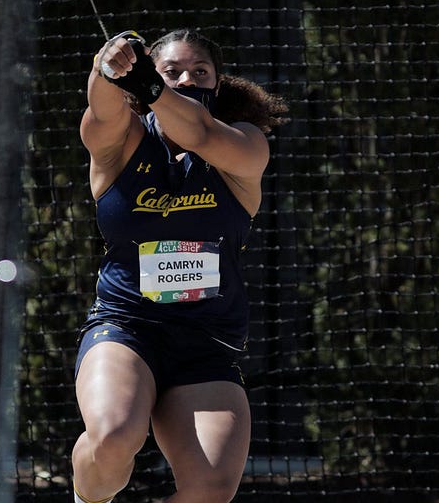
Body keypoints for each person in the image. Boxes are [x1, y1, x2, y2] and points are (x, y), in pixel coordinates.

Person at [72, 28, 287, 503]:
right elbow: (102, 110)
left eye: (200, 71)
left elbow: (200, 132)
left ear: (218, 83)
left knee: (211, 490)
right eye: (171, 71)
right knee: (112, 440)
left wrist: (155, 87)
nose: (187, 79)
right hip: (127, 327)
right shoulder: (123, 140)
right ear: (145, 75)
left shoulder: (244, 144)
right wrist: (107, 64)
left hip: (206, 343)